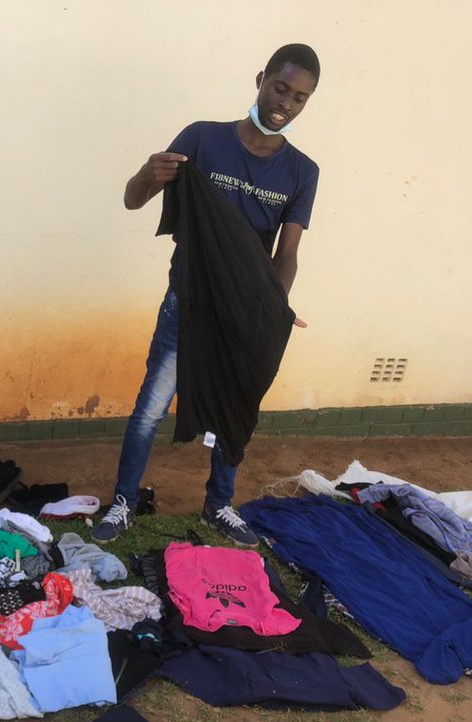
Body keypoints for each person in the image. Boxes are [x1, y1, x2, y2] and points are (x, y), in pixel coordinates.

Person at [91, 44, 320, 547]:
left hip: (245, 312)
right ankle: (124, 501)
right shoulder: (203, 138)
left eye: (300, 98)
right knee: (152, 405)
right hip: (189, 302)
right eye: (281, 88)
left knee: (235, 407)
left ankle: (219, 505)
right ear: (261, 79)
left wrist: (272, 314)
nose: (286, 103)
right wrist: (148, 173)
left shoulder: (303, 172)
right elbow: (134, 199)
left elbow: (287, 253)